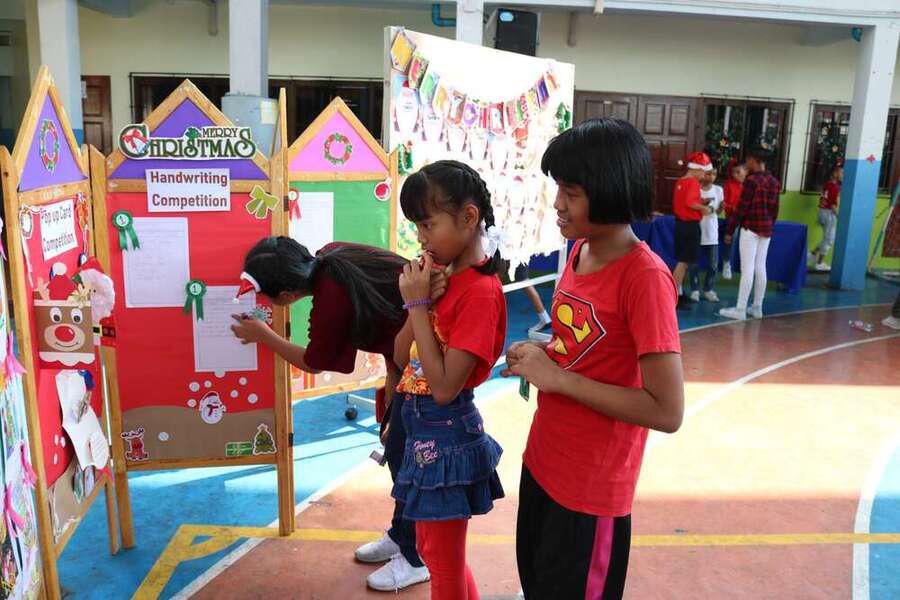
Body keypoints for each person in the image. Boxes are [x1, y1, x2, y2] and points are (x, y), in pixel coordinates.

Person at [503, 118, 685, 599]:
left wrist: (558, 379)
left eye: (572, 192)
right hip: (544, 461)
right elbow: (583, 351)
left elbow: (667, 410)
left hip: (591, 490)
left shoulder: (645, 279)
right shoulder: (579, 250)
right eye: (558, 189)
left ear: (611, 191)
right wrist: (542, 354)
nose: (558, 204)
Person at [230, 237, 445, 592]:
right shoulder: (332, 254)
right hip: (407, 360)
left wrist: (264, 336)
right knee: (398, 455)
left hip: (426, 368)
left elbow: (316, 362)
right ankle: (402, 535)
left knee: (410, 465)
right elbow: (392, 322)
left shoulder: (332, 298)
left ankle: (416, 557)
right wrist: (393, 389)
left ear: (286, 295)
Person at [391, 160, 507, 600]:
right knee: (432, 551)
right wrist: (417, 304)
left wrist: (420, 306)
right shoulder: (443, 278)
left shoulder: (480, 292)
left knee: (443, 562)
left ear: (468, 217)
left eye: (427, 224)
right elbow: (401, 356)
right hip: (423, 433)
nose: (421, 238)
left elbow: (443, 389)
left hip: (448, 436)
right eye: (417, 227)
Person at [719, 147, 781, 321]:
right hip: (766, 229)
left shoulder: (751, 181)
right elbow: (775, 210)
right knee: (761, 267)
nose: (746, 163)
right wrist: (769, 225)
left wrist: (730, 230)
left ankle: (740, 309)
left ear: (754, 160)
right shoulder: (774, 181)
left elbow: (741, 208)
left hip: (750, 229)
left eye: (748, 160)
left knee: (747, 269)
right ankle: (757, 307)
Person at [672, 151, 715, 308]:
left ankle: (678, 293)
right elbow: (690, 203)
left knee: (682, 261)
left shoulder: (681, 181)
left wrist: (701, 201)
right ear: (696, 168)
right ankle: (673, 296)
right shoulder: (693, 183)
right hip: (689, 226)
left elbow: (686, 201)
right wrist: (706, 209)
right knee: (683, 263)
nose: (704, 176)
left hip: (680, 225)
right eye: (703, 172)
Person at [688, 168, 724, 302]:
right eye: (709, 174)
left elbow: (718, 211)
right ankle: (694, 290)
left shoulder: (718, 190)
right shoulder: (695, 189)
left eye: (714, 174)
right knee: (693, 264)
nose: (711, 177)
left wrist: (721, 207)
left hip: (712, 233)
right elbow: (691, 208)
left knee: (713, 265)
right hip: (696, 231)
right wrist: (703, 205)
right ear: (703, 174)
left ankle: (708, 289)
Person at [809, 164, 842, 271]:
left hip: (822, 212)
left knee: (826, 238)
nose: (843, 175)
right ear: (835, 173)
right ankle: (819, 263)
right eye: (841, 172)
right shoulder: (835, 187)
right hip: (829, 214)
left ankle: (813, 254)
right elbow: (833, 205)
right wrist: (840, 217)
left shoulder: (827, 184)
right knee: (829, 240)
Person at [721, 161, 747, 280]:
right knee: (731, 237)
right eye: (733, 173)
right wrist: (733, 208)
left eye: (738, 172)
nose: (735, 175)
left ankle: (744, 266)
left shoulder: (748, 185)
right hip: (732, 218)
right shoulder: (728, 185)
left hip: (746, 219)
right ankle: (726, 262)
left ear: (745, 172)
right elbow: (724, 204)